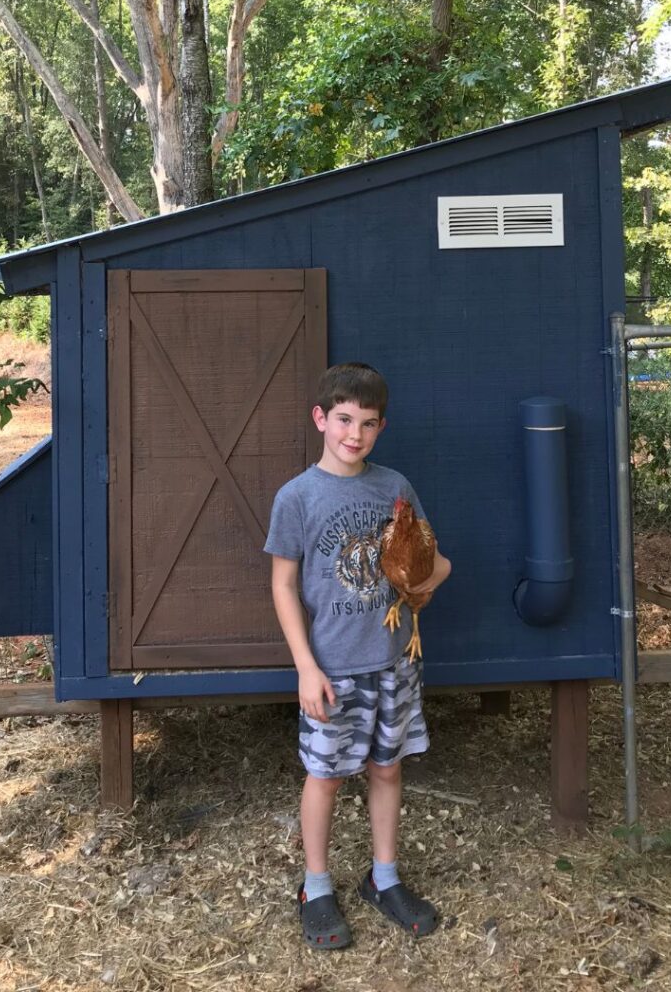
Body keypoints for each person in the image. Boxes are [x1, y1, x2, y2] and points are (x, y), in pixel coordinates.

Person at [264, 362, 452, 949]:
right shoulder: (297, 497)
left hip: (394, 660)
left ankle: (384, 877)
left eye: (368, 424)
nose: (355, 434)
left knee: (388, 768)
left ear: (381, 427)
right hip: (332, 668)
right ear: (320, 418)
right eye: (344, 420)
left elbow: (433, 559)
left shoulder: (395, 487)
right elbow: (282, 586)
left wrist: (427, 580)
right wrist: (306, 667)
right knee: (325, 776)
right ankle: (316, 886)